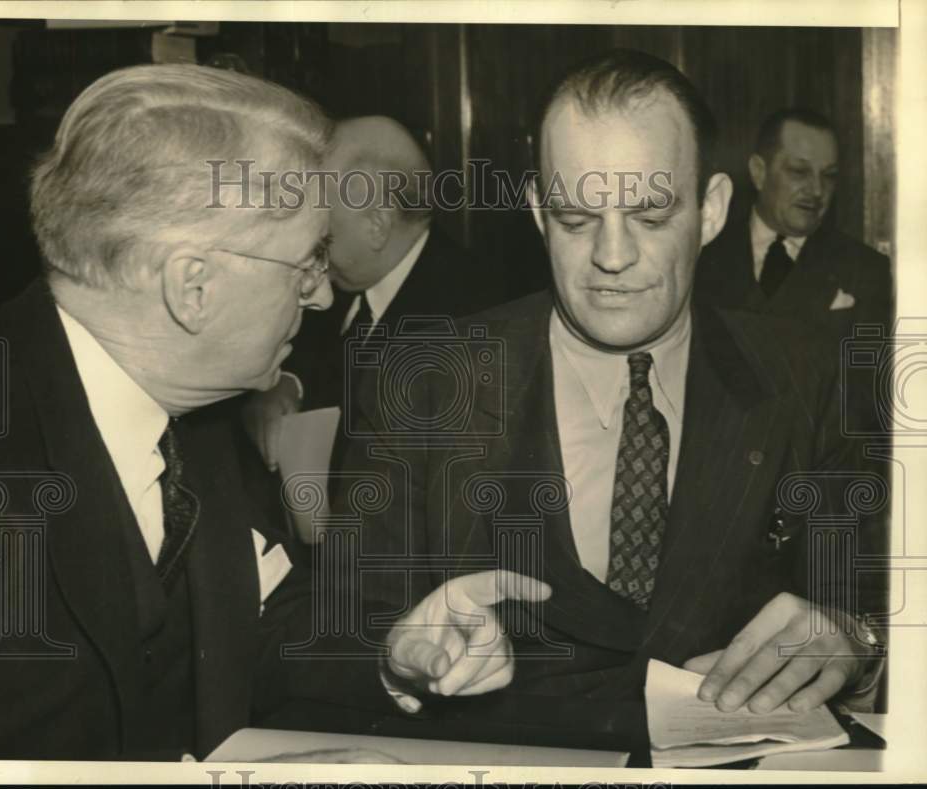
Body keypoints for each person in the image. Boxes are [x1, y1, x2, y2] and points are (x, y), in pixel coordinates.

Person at [0, 64, 549, 761]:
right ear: (192, 287)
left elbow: (249, 633)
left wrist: (393, 650)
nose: (322, 297)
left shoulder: (192, 416)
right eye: (305, 261)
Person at [334, 50, 886, 751]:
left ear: (711, 210)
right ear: (538, 213)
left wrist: (856, 640)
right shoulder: (427, 376)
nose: (612, 255)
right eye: (575, 217)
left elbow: (877, 598)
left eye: (651, 216)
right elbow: (315, 626)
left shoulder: (810, 376)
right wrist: (394, 658)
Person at [243, 115, 508, 472]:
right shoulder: (349, 276)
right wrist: (286, 383)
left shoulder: (473, 323)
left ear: (376, 226)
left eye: (322, 234)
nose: (306, 252)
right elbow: (317, 350)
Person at [695, 108, 894, 433]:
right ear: (759, 173)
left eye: (828, 176)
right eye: (799, 172)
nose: (816, 190)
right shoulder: (703, 256)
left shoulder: (867, 270)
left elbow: (868, 403)